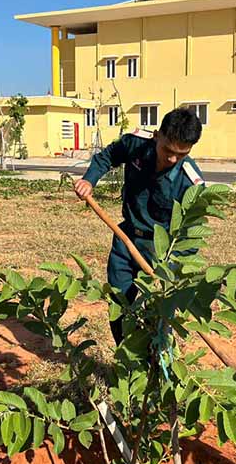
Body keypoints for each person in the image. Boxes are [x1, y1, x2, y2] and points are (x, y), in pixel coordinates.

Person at [74, 108, 204, 344]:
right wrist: (89, 179)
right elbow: (107, 157)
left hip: (161, 252)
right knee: (119, 300)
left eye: (181, 154)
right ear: (157, 135)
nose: (173, 159)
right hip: (126, 239)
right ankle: (125, 356)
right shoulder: (136, 144)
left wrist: (170, 271)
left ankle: (155, 365)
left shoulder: (190, 182)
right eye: (168, 150)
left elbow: (191, 236)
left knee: (157, 313)